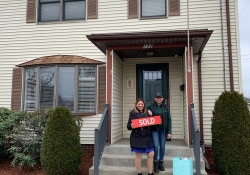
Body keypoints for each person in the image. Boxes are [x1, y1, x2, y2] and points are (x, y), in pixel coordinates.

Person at [127, 98, 154, 175]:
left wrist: (151, 116)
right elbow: (128, 125)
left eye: (142, 104)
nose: (140, 105)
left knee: (151, 153)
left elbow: (153, 122)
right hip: (137, 137)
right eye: (139, 104)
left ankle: (150, 172)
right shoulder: (132, 113)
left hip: (147, 137)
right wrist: (131, 126)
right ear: (136, 105)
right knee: (138, 155)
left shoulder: (147, 112)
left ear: (144, 105)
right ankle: (139, 173)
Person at [147, 92, 172, 173]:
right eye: (157, 97)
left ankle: (161, 162)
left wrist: (169, 132)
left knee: (162, 146)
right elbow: (142, 111)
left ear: (162, 98)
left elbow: (169, 120)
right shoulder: (150, 106)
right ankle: (155, 163)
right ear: (155, 98)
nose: (158, 99)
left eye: (160, 97)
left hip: (163, 130)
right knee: (155, 145)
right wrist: (148, 113)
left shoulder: (165, 107)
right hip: (154, 129)